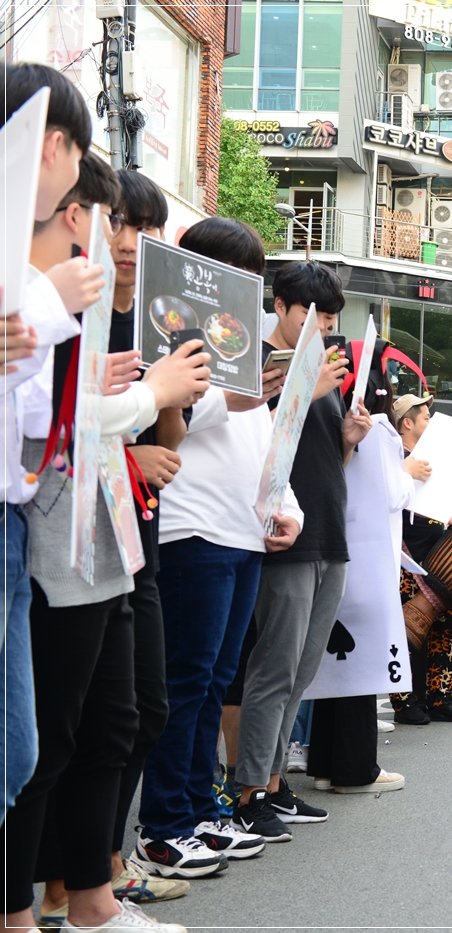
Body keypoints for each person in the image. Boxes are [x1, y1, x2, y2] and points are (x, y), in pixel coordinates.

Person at [7, 151, 209, 933]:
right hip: (57, 534)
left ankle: (91, 899)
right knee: (41, 740)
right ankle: (25, 906)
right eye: (109, 218)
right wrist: (149, 396)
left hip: (108, 533)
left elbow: (73, 411)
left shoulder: (72, 297)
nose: (114, 236)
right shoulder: (37, 293)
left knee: (112, 722)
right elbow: (47, 428)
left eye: (129, 223)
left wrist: (131, 396)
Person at [134, 218, 300, 875]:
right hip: (191, 527)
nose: (252, 283)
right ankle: (165, 821)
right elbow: (163, 418)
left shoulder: (239, 341)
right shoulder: (174, 327)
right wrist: (227, 397)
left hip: (240, 531)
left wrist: (286, 507)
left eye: (255, 272)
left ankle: (200, 808)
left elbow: (261, 440)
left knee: (211, 682)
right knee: (186, 680)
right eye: (242, 270)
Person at [233, 261, 371, 839]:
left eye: (332, 321)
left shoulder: (322, 374)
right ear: (283, 306)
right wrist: (298, 392)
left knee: (302, 669)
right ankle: (246, 791)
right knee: (274, 666)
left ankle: (272, 781)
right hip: (281, 535)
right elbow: (249, 445)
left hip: (328, 533)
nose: (322, 329)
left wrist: (347, 441)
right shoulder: (257, 366)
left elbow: (318, 461)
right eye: (315, 318)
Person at [1, 62, 88, 825]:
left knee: (16, 750)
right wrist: (47, 302)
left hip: (13, 517)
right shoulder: (30, 272)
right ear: (55, 144)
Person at [306, 341, 406, 795]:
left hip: (330, 548)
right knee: (363, 667)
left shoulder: (327, 421)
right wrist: (415, 473)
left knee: (331, 665)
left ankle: (324, 763)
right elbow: (392, 495)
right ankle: (357, 768)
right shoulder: (379, 431)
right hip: (368, 561)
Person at [390, 393, 452, 725]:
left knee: (445, 627)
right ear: (407, 423)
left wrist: (448, 518)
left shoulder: (423, 458)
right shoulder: (394, 457)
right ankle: (403, 702)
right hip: (404, 557)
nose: (430, 421)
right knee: (407, 629)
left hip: (432, 556)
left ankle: (439, 699)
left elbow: (425, 506)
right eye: (425, 416)